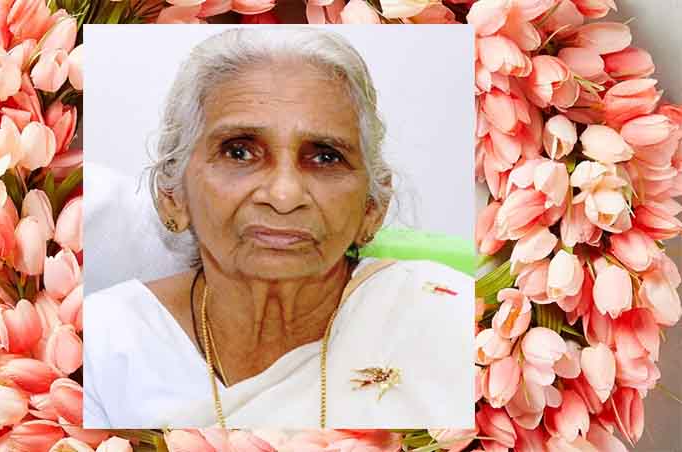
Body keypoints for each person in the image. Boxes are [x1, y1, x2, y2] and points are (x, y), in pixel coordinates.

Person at [83, 27, 474, 429]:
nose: (284, 195)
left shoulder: (452, 322)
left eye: (325, 157)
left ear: (372, 208)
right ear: (173, 196)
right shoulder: (100, 347)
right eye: (239, 152)